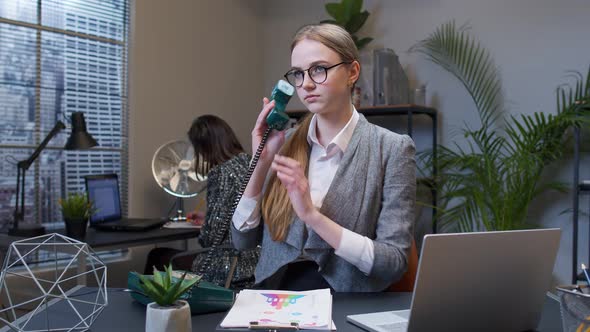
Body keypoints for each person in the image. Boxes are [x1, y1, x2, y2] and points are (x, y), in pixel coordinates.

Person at [231, 23, 416, 292]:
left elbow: (393, 262)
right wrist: (261, 162)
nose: (305, 84)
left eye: (318, 69)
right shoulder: (284, 143)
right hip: (278, 296)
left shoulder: (392, 149)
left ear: (352, 72)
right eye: (298, 73)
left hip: (348, 299)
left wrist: (312, 216)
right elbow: (242, 241)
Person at [145, 115, 259, 289]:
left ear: (204, 146)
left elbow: (211, 236)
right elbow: (237, 213)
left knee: (157, 255)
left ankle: (156, 308)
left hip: (227, 263)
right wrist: (207, 217)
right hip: (254, 263)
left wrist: (206, 226)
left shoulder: (221, 172)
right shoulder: (249, 163)